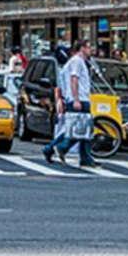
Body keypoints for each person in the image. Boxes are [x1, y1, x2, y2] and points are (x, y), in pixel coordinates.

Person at [53, 39, 97, 168]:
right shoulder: (77, 61)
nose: (91, 50)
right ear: (82, 48)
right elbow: (74, 79)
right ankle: (62, 147)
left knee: (84, 129)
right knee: (80, 129)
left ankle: (85, 158)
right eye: (89, 47)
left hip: (81, 98)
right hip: (80, 99)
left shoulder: (79, 61)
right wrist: (76, 99)